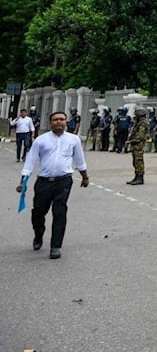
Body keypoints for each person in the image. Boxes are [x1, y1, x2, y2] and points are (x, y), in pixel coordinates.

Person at [16, 111, 89, 259]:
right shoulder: (41, 140)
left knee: (59, 211)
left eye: (62, 119)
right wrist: (23, 181)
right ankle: (38, 233)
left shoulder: (73, 140)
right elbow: (30, 162)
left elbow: (79, 160)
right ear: (51, 123)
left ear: (66, 122)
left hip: (64, 181)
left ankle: (56, 246)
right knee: (38, 212)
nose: (58, 122)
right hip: (43, 181)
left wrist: (85, 177)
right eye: (55, 120)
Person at [125, 107, 150, 186]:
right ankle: (137, 176)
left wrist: (130, 141)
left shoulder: (143, 123)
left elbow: (140, 136)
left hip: (139, 144)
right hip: (135, 144)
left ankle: (140, 177)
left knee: (139, 161)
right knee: (135, 161)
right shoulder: (138, 122)